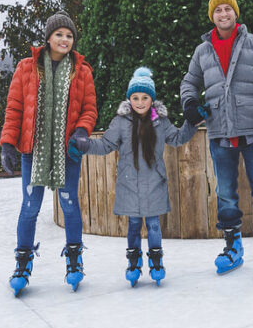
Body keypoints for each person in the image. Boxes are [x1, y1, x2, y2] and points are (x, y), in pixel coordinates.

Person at [180, 0, 253, 284]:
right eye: (218, 10)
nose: (223, 14)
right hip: (220, 131)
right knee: (225, 193)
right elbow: (189, 82)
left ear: (236, 14)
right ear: (212, 16)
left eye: (228, 9)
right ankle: (232, 246)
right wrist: (189, 103)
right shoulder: (202, 51)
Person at [70, 67, 198, 287]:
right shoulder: (121, 122)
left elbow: (177, 138)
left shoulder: (161, 122)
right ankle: (133, 261)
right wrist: (85, 145)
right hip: (129, 184)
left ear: (152, 99)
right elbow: (105, 145)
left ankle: (156, 262)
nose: (140, 102)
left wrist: (192, 123)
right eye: (135, 97)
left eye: (145, 97)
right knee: (133, 226)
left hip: (154, 183)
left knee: (155, 226)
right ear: (129, 99)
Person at [0, 11, 97, 296]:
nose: (64, 39)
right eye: (59, 34)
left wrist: (81, 130)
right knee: (30, 207)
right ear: (48, 38)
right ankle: (22, 263)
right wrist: (7, 143)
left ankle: (75, 262)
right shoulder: (26, 68)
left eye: (69, 35)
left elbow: (89, 109)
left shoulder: (82, 70)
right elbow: (15, 108)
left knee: (69, 204)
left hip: (67, 152)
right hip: (34, 149)